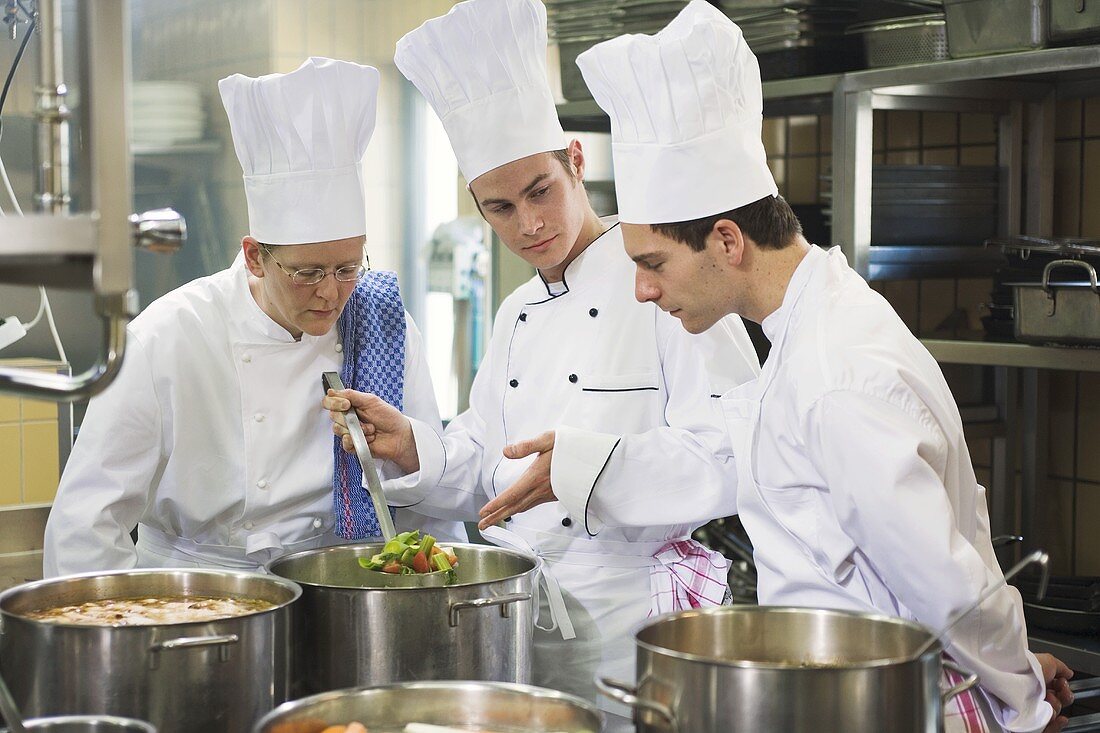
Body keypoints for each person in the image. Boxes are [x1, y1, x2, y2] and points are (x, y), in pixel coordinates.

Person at [548, 3, 1073, 731]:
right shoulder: (805, 328)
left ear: (727, 240)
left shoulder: (837, 373)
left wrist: (1024, 696)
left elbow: (945, 580)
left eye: (653, 263)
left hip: (880, 708)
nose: (642, 288)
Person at [322, 0, 759, 726]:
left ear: (576, 161)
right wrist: (415, 444)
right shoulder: (515, 311)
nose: (527, 224)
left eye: (539, 191)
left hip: (631, 623)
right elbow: (493, 467)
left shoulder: (667, 282)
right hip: (520, 621)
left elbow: (735, 452)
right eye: (498, 208)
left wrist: (588, 467)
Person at [43, 57, 462, 576]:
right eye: (307, 272)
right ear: (254, 256)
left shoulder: (382, 321)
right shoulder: (170, 334)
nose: (332, 294)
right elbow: (89, 518)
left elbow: (428, 497)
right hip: (199, 593)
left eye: (348, 267)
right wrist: (108, 643)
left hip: (339, 589)